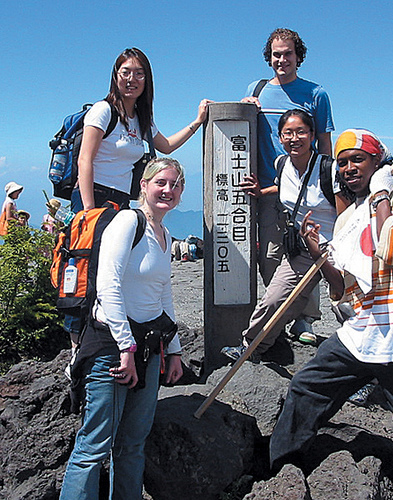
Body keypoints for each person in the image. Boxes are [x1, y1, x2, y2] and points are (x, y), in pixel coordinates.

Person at [269, 129, 393, 499]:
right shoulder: (348, 219)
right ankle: (278, 474)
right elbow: (342, 291)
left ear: (377, 162)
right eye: (342, 162)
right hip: (365, 329)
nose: (349, 167)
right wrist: (319, 252)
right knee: (307, 387)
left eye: (358, 159)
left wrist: (382, 192)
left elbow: (392, 249)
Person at [64, 47, 210, 346]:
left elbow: (166, 146)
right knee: (88, 269)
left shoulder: (140, 118)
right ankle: (78, 345)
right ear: (115, 76)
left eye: (139, 73)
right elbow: (85, 160)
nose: (132, 79)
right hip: (93, 196)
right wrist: (89, 211)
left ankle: (109, 335)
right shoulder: (103, 111)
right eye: (126, 72)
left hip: (121, 202)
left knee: (115, 268)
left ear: (147, 79)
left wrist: (197, 122)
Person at [60, 157, 185, 499]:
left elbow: (163, 292)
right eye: (161, 182)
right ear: (143, 185)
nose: (168, 190)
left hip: (146, 347)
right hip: (110, 349)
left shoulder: (165, 233)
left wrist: (173, 350)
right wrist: (125, 347)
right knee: (93, 448)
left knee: (132, 445)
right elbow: (107, 285)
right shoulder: (128, 221)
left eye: (175, 185)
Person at [240, 28, 345, 342]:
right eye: (276, 54)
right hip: (270, 187)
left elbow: (325, 143)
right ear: (268, 58)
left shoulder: (316, 93)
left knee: (311, 251)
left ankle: (306, 320)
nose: (281, 60)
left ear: (299, 56)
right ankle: (282, 319)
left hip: (310, 190)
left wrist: (326, 186)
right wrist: (246, 107)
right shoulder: (256, 90)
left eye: (287, 53)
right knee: (272, 256)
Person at [221, 109, 341, 362]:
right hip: (303, 249)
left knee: (349, 308)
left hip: (338, 250)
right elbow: (287, 188)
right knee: (274, 300)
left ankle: (371, 374)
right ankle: (252, 348)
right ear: (280, 137)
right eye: (288, 133)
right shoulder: (282, 164)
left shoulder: (328, 169)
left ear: (312, 135)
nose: (294, 138)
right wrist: (261, 192)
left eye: (301, 132)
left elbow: (347, 214)